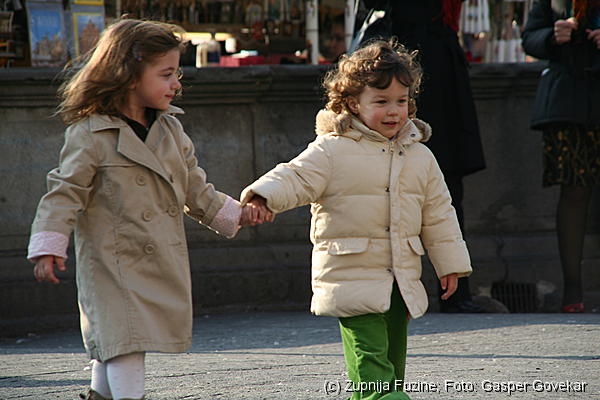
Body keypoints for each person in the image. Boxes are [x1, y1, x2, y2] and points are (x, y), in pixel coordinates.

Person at [27, 19, 270, 400]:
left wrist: (238, 213)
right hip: (111, 263)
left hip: (155, 260)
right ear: (128, 76)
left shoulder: (171, 131)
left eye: (177, 74)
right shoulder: (91, 133)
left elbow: (195, 189)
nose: (177, 84)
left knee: (116, 343)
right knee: (123, 342)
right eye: (166, 74)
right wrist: (49, 245)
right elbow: (64, 191)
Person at [242, 40, 472, 399]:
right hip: (351, 276)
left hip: (400, 279)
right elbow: (295, 176)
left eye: (401, 101)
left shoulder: (420, 156)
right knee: (375, 376)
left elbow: (439, 214)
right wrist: (263, 195)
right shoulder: (332, 149)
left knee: (390, 370)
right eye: (381, 102)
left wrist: (450, 264)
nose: (394, 111)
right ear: (353, 103)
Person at [358, 0, 487, 313]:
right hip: (404, 73)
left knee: (446, 192)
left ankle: (455, 291)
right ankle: (389, 293)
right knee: (387, 190)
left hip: (439, 76)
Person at [522, 0, 600, 313]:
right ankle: (573, 290)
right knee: (574, 190)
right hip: (570, 100)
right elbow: (530, 37)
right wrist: (553, 36)